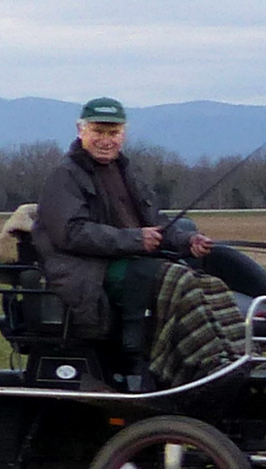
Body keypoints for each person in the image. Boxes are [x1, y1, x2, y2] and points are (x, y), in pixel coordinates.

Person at [35, 96, 214, 340]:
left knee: (211, 285)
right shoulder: (64, 175)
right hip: (89, 271)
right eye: (98, 131)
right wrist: (135, 240)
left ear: (123, 134)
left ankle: (231, 354)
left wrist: (188, 240)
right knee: (180, 281)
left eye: (114, 132)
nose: (106, 140)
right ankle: (195, 361)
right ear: (81, 131)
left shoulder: (126, 171)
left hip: (131, 260)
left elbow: (155, 222)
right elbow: (72, 233)